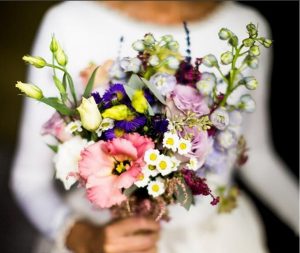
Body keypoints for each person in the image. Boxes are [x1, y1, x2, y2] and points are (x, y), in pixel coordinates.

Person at [11, 1, 299, 253]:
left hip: (216, 239)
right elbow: (29, 178)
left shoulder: (245, 27)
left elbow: (257, 157)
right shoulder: (70, 21)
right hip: (105, 236)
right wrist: (80, 236)